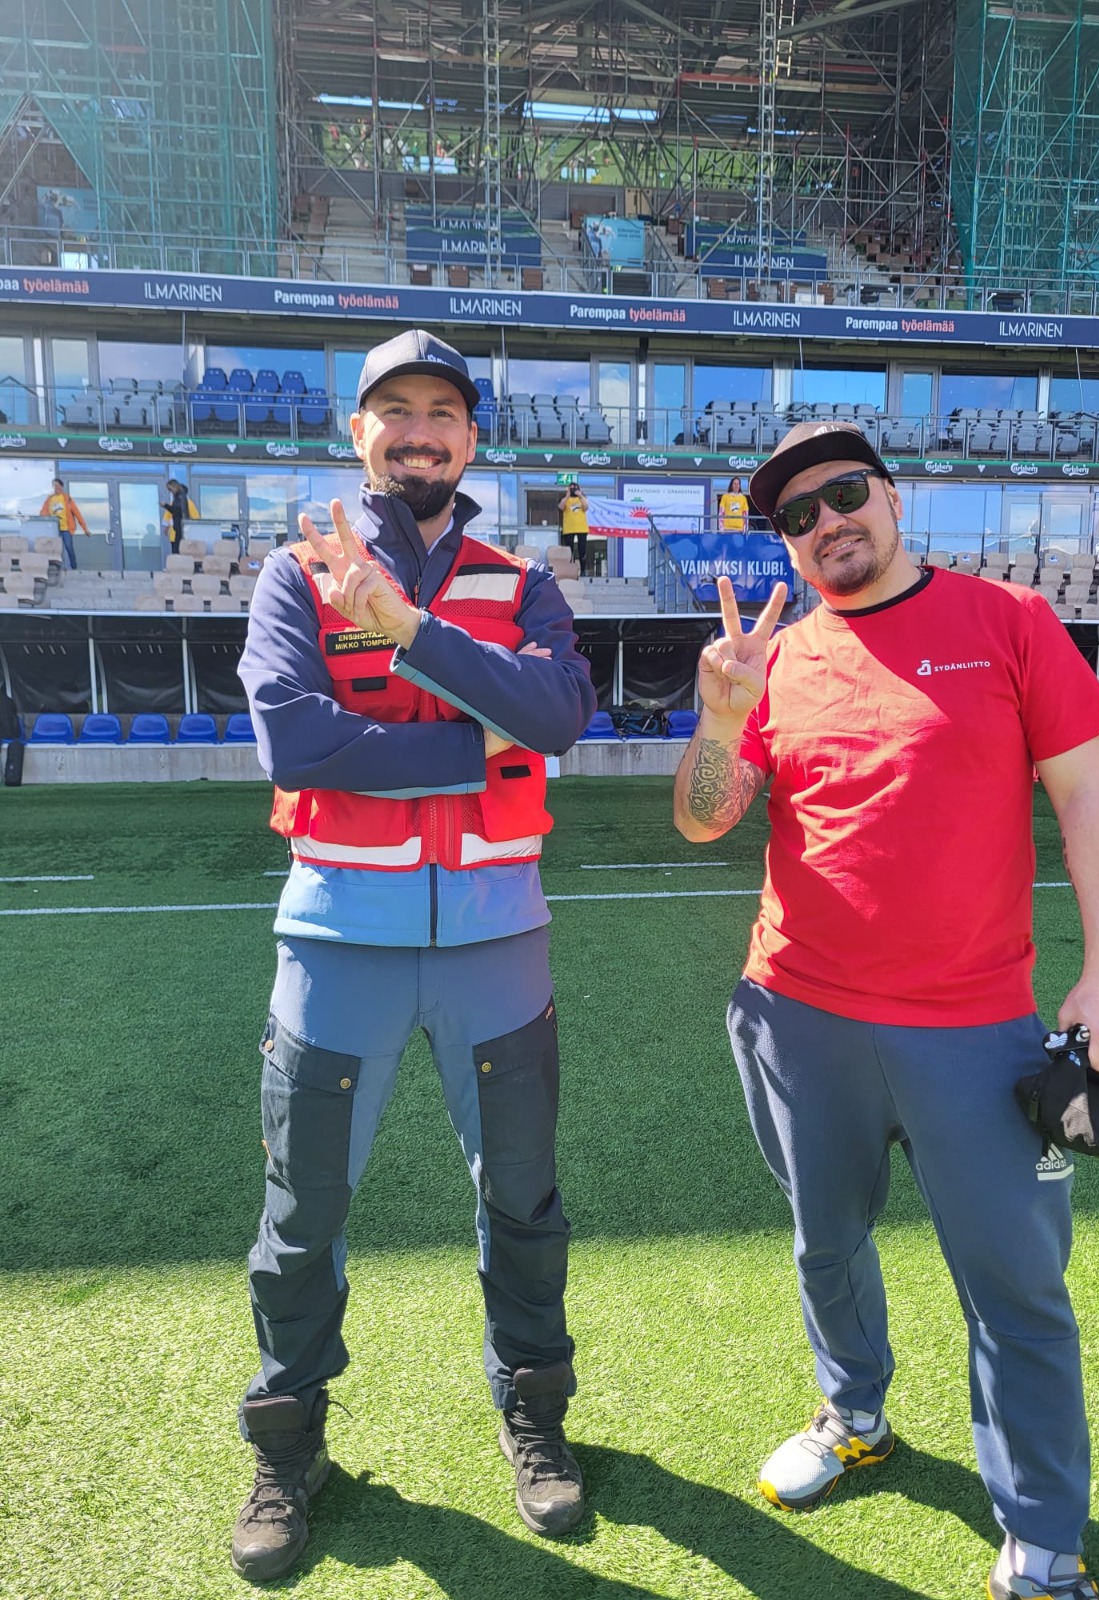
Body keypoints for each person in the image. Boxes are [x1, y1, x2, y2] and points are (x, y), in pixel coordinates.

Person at [673, 420, 1099, 1600]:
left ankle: (1042, 1538)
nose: (826, 522)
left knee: (1016, 1289)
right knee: (825, 1239)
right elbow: (703, 817)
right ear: (788, 546)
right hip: (795, 1014)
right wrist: (721, 717)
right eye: (797, 516)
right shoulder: (779, 661)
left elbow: (1088, 797)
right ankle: (854, 1415)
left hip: (974, 1028)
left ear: (891, 497)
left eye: (843, 494)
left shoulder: (1009, 620)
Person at [232, 328, 597, 1583]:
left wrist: (412, 631)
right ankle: (288, 1447)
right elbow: (296, 741)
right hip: (338, 943)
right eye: (396, 409)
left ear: (472, 439)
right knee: (302, 1215)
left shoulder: (522, 579)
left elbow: (559, 717)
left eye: (444, 410)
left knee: (524, 1204)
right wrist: (479, 747)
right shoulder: (296, 573)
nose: (420, 431)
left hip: (502, 947)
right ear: (361, 433)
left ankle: (534, 1416)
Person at [38, 477, 89, 570]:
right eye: (54, 486)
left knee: (69, 547)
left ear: (62, 487)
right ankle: (53, 567)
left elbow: (77, 514)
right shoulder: (49, 499)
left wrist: (85, 529)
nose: (56, 488)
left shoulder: (67, 499)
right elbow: (43, 513)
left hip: (66, 528)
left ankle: (74, 567)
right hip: (54, 529)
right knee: (53, 548)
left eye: (57, 486)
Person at [558, 481, 590, 574]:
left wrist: (580, 496)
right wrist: (567, 495)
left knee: (582, 549)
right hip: (569, 528)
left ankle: (583, 570)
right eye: (571, 488)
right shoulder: (565, 499)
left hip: (581, 528)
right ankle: (569, 570)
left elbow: (586, 507)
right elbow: (561, 507)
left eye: (575, 488)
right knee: (569, 550)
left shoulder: (582, 498)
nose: (573, 490)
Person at [161, 479, 192, 554]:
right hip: (180, 527)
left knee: (177, 550)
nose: (170, 492)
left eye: (170, 489)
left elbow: (177, 511)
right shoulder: (181, 497)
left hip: (180, 526)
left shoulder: (179, 497)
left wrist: (165, 505)